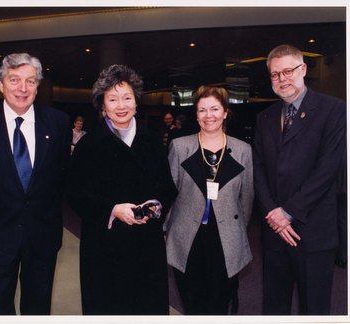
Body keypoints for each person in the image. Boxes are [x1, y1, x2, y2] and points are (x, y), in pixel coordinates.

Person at [0, 53, 71, 315]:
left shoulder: (58, 123)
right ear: (1, 84)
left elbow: (61, 176)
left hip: (43, 234)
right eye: (14, 80)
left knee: (38, 307)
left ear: (37, 86)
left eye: (30, 81)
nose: (23, 88)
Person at [67, 64, 177, 315]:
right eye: (113, 99)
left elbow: (167, 187)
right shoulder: (89, 145)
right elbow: (75, 192)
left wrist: (156, 206)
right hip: (104, 244)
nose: (121, 105)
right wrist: (112, 209)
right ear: (102, 105)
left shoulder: (153, 141)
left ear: (136, 102)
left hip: (146, 243)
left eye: (127, 97)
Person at [253, 44, 346, 315]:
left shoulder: (333, 110)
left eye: (288, 71)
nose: (282, 79)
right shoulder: (265, 118)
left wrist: (289, 212)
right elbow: (259, 170)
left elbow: (328, 169)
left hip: (313, 231)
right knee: (274, 308)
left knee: (314, 309)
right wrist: (273, 212)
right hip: (274, 233)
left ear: (303, 69)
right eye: (275, 74)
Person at [164, 85, 254, 315]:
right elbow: (169, 191)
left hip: (225, 236)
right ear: (196, 115)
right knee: (192, 300)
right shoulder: (180, 146)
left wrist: (237, 228)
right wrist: (165, 229)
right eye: (202, 110)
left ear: (225, 112)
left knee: (219, 301)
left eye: (214, 109)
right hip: (187, 235)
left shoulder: (242, 149)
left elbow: (247, 195)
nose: (208, 115)